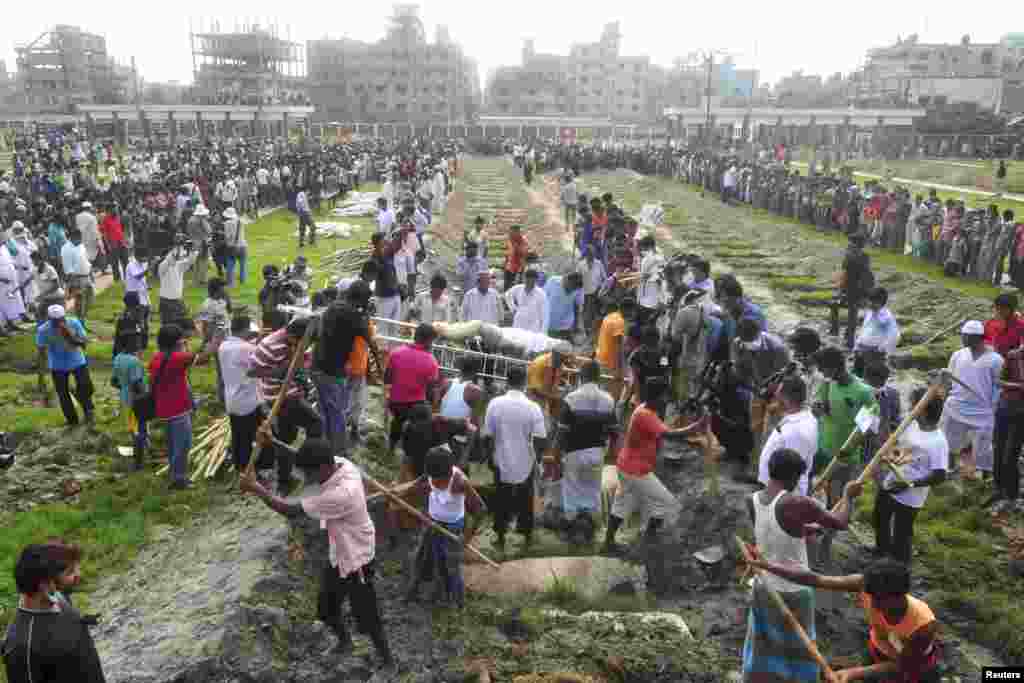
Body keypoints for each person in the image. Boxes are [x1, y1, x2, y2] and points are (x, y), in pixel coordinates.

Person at [240, 439, 393, 667]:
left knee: (367, 616)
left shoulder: (342, 493)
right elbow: (299, 455)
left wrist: (257, 489)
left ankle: (388, 660)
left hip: (356, 557)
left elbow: (289, 510)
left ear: (322, 468)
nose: (308, 481)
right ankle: (345, 642)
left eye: (309, 475)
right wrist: (274, 442)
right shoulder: (340, 463)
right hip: (339, 550)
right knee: (326, 609)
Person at [742, 449, 863, 683]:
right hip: (793, 590)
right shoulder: (796, 502)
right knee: (800, 645)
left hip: (764, 585)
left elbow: (776, 530)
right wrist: (848, 496)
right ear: (794, 476)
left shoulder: (753, 499)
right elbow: (839, 522)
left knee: (764, 640)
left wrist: (808, 530)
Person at [743, 558, 943, 683]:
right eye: (870, 596)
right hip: (878, 650)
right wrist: (768, 566)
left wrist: (854, 673)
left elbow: (901, 665)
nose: (872, 604)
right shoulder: (866, 586)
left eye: (880, 599)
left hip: (911, 665)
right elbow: (816, 580)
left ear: (900, 595)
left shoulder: (922, 626)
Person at [603, 377, 707, 554]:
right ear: (656, 396)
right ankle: (648, 540)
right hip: (636, 470)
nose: (666, 399)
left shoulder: (644, 409)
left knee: (622, 503)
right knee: (667, 503)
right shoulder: (645, 415)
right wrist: (696, 426)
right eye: (664, 395)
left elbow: (661, 431)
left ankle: (609, 543)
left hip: (627, 465)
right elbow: (669, 434)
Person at [1, 544, 106, 683]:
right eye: (69, 572)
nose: (78, 575)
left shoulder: (58, 597)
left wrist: (79, 622)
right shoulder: (21, 648)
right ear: (44, 585)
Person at [404, 447, 486, 608]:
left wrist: (467, 537)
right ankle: (424, 592)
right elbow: (421, 487)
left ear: (448, 475)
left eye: (438, 481)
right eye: (432, 479)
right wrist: (424, 511)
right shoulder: (431, 472)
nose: (434, 483)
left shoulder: (460, 483)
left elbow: (481, 509)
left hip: (453, 527)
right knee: (429, 558)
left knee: (451, 567)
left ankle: (458, 603)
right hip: (433, 523)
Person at [874, 385, 948, 564]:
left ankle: (900, 570)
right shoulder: (911, 424)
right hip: (891, 481)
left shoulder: (938, 442)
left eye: (912, 404)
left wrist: (909, 484)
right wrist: (892, 455)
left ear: (921, 410)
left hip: (910, 496)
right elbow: (897, 444)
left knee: (902, 533)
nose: (909, 408)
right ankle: (882, 552)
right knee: (879, 516)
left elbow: (940, 475)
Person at [248, 315, 321, 494]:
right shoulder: (270, 345)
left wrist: (301, 369)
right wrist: (282, 370)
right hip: (279, 396)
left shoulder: (297, 341)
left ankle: (285, 480)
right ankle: (307, 464)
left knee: (287, 436)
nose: (307, 346)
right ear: (293, 336)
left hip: (292, 391)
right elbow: (252, 371)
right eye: (306, 342)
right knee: (315, 423)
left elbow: (302, 361)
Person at [481, 364, 548, 553]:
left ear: (506, 381)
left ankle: (500, 536)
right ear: (524, 382)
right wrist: (537, 460)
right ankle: (526, 535)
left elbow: (487, 435)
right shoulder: (533, 407)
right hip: (525, 460)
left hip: (500, 459)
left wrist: (490, 458)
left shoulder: (495, 404)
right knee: (525, 498)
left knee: (501, 497)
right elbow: (541, 439)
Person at [313, 281, 381, 455]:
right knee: (337, 413)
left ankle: (324, 446)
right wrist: (380, 368)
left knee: (325, 409)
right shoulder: (354, 317)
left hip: (317, 366)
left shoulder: (333, 307)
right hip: (333, 371)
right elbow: (372, 343)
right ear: (362, 299)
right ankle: (338, 453)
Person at [558, 360, 616, 544]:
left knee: (572, 491)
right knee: (592, 491)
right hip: (597, 452)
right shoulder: (608, 400)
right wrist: (613, 453)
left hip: (574, 452)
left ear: (581, 376)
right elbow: (615, 431)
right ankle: (589, 529)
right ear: (598, 377)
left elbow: (562, 430)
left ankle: (571, 529)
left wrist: (555, 453)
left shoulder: (571, 399)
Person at [151, 324, 212, 490]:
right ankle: (179, 479)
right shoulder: (177, 359)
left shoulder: (157, 357)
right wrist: (214, 342)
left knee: (172, 443)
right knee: (183, 444)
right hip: (178, 410)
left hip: (164, 409)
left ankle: (174, 473)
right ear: (176, 342)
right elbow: (204, 358)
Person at [941, 320, 1003, 480]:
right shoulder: (958, 355)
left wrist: (993, 408)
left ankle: (986, 476)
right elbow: (950, 379)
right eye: (963, 335)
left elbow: (998, 386)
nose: (963, 339)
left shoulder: (996, 360)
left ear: (978, 338)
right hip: (956, 406)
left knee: (984, 447)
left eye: (966, 336)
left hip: (982, 410)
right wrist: (944, 388)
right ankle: (949, 469)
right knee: (948, 441)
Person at [386, 323, 441, 457]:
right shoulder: (431, 361)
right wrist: (433, 406)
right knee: (426, 419)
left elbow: (387, 378)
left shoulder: (396, 353)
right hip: (416, 406)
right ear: (429, 341)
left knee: (397, 420)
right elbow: (431, 389)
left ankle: (391, 447)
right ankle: (416, 453)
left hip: (395, 403)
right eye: (432, 341)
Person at [757, 376, 818, 495]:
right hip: (775, 488)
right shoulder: (799, 418)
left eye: (779, 395)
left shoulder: (797, 430)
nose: (776, 398)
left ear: (788, 398)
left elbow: (789, 474)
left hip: (780, 495)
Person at [219, 315, 265, 472]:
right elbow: (257, 365)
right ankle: (253, 470)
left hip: (232, 400)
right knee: (254, 437)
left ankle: (240, 468)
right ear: (246, 329)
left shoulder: (223, 346)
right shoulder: (247, 349)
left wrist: (256, 340)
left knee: (239, 438)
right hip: (248, 401)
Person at [36, 305, 95, 428]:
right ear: (49, 319)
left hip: (77, 361)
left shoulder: (73, 322)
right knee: (63, 394)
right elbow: (41, 352)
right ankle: (72, 421)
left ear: (64, 316)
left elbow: (84, 340)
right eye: (55, 321)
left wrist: (71, 337)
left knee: (85, 386)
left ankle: (88, 411)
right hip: (58, 366)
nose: (59, 323)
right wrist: (41, 376)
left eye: (61, 319)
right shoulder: (43, 330)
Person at [992, 341, 1024, 512]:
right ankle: (998, 489)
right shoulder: (1012, 356)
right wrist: (1018, 386)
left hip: (1020, 415)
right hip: (1004, 409)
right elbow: (999, 381)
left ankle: (1011, 496)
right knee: (998, 450)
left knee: (1011, 455)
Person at [111, 327, 149, 470]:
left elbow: (114, 382)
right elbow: (137, 384)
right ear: (132, 343)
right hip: (137, 401)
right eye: (138, 341)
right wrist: (145, 397)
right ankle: (138, 462)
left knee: (134, 429)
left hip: (126, 400)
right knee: (140, 431)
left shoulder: (118, 358)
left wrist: (124, 388)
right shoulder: (134, 361)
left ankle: (142, 453)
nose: (140, 344)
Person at [438, 357, 485, 469]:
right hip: (458, 438)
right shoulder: (476, 391)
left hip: (440, 433)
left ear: (460, 369)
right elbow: (474, 424)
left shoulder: (446, 383)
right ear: (475, 373)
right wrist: (468, 453)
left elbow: (437, 408)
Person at [853, 287, 901, 376]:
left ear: (880, 302)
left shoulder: (886, 317)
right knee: (857, 376)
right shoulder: (870, 313)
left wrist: (881, 349)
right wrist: (856, 346)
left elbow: (895, 335)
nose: (869, 304)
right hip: (861, 351)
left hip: (874, 354)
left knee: (870, 379)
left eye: (872, 302)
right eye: (869, 301)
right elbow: (863, 330)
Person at [840, 232, 874, 350]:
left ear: (854, 244)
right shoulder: (864, 256)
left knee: (852, 314)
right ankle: (849, 336)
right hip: (860, 288)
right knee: (853, 313)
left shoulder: (850, 256)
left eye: (850, 242)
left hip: (852, 288)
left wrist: (841, 289)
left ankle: (849, 339)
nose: (848, 244)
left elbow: (845, 273)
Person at [158, 240, 198, 329]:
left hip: (178, 301)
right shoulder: (162, 266)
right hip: (166, 302)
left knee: (180, 326)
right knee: (167, 326)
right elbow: (169, 260)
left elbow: (190, 261)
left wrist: (192, 250)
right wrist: (176, 248)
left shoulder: (179, 266)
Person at [60, 230, 92, 325]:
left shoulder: (80, 245)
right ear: (73, 237)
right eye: (79, 238)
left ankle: (82, 318)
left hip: (86, 276)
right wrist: (71, 284)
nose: (81, 240)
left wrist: (90, 274)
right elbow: (67, 267)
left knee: (90, 298)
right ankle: (79, 321)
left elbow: (85, 260)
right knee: (79, 301)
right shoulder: (66, 249)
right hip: (76, 278)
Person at [543, 272, 584, 341]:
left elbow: (577, 305)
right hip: (550, 324)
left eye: (574, 289)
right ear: (566, 280)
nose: (571, 291)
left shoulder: (578, 289)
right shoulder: (552, 281)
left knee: (564, 349)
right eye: (571, 287)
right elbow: (542, 299)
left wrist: (576, 324)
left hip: (566, 326)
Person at [505, 268, 547, 334]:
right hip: (519, 321)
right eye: (527, 281)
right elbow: (507, 295)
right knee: (517, 341)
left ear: (536, 280)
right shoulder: (518, 288)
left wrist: (543, 332)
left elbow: (543, 313)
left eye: (532, 281)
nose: (530, 283)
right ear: (525, 279)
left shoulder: (541, 293)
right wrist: (513, 308)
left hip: (533, 325)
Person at [983, 293, 1024, 358]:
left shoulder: (1020, 325)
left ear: (1012, 309)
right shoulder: (989, 324)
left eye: (1003, 309)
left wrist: (1019, 351)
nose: (999, 311)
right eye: (997, 308)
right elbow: (982, 341)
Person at [222, 207, 246, 287]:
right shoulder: (241, 221)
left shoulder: (227, 224)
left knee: (230, 265)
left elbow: (228, 236)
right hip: (242, 245)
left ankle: (231, 283)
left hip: (231, 247)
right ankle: (243, 279)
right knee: (242, 264)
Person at [503, 224, 529, 292]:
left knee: (517, 287)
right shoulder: (509, 240)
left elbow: (524, 253)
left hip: (518, 268)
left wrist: (516, 246)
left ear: (517, 232)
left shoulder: (523, 241)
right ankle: (506, 299)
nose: (510, 234)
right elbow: (507, 252)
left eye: (512, 232)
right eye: (510, 232)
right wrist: (505, 263)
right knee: (507, 286)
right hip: (508, 267)